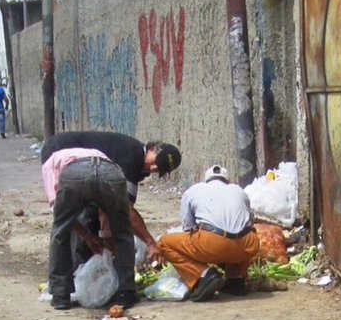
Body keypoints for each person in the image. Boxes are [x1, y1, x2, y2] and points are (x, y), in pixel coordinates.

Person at [41, 131, 182, 267]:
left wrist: (105, 238)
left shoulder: (138, 165)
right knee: (80, 216)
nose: (153, 168)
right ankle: (75, 271)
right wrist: (150, 242)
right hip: (60, 151)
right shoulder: (132, 155)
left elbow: (115, 208)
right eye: (156, 161)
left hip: (88, 170)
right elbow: (126, 210)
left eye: (158, 169)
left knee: (98, 216)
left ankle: (90, 268)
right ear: (151, 149)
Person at [42, 147, 137, 310]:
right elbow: (107, 211)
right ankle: (126, 292)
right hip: (111, 173)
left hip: (75, 174)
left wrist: (86, 235)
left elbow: (58, 212)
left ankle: (60, 295)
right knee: (123, 233)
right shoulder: (101, 154)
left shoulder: (49, 164)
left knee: (60, 233)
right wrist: (104, 235)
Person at [158, 164, 259, 302]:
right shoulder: (239, 190)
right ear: (227, 181)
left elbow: (188, 227)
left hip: (213, 244)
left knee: (164, 243)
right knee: (243, 234)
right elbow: (249, 220)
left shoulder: (193, 191)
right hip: (247, 245)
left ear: (206, 180)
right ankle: (236, 279)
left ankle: (204, 275)